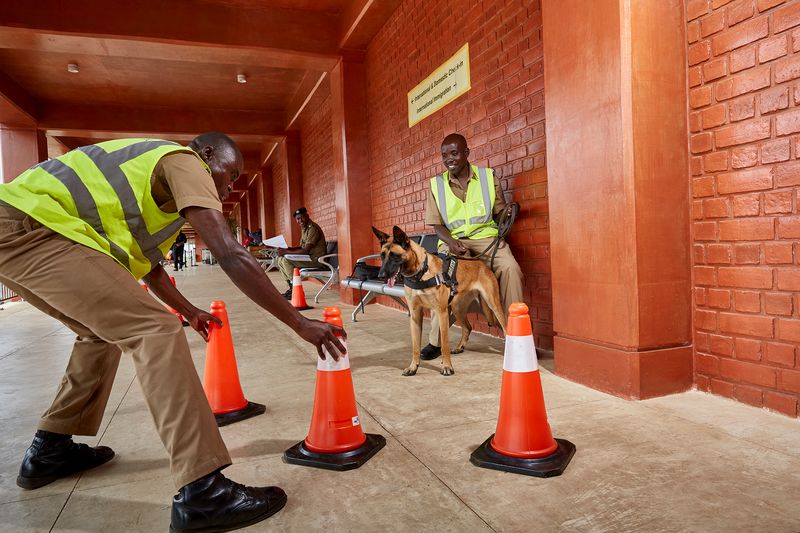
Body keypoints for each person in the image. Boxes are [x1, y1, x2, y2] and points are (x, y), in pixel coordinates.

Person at [0, 132, 346, 532]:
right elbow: (230, 253)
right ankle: (203, 491)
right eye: (230, 175)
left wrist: (189, 310)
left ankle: (50, 449)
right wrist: (300, 322)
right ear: (207, 153)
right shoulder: (183, 161)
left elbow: (149, 267)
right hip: (33, 226)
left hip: (19, 231)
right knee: (155, 329)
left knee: (101, 333)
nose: (228, 186)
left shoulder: (159, 198)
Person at [421, 133, 525, 360]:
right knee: (443, 279)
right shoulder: (436, 185)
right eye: (445, 155)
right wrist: (451, 243)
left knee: (510, 268)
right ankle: (436, 342)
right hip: (452, 240)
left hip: (486, 238)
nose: (449, 159)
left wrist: (507, 213)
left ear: (467, 153)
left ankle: (518, 337)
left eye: (455, 153)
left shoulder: (488, 177)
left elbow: (499, 213)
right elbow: (437, 225)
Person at [276, 207, 327, 299]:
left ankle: (296, 290)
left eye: (301, 217)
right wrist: (288, 249)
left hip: (317, 260)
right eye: (298, 219)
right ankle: (292, 288)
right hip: (309, 258)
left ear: (307, 216)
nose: (300, 220)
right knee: (280, 259)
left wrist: (285, 252)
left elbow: (305, 251)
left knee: (286, 260)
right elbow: (302, 247)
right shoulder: (305, 228)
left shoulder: (312, 228)